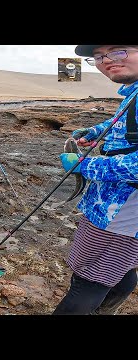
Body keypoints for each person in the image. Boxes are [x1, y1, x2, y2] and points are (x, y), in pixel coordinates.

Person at [53, 45, 138, 314]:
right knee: (120, 267)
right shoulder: (133, 92)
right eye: (99, 57)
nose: (107, 61)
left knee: (88, 281)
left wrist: (84, 165)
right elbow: (123, 121)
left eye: (120, 51)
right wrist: (96, 130)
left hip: (124, 214)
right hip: (113, 207)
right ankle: (106, 308)